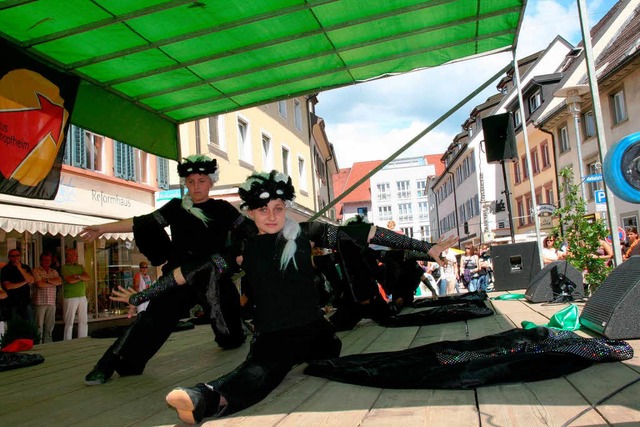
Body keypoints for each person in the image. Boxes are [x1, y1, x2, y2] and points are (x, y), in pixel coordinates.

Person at [112, 170, 457, 424]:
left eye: (279, 207)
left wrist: (426, 248)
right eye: (264, 209)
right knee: (262, 367)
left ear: (286, 206)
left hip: (318, 335)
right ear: (249, 211)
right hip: (273, 337)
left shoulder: (307, 234)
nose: (272, 215)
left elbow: (365, 232)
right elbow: (185, 273)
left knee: (283, 358)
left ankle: (208, 396)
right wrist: (143, 294)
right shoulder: (241, 251)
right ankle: (206, 397)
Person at [81, 154, 250, 385]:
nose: (196, 186)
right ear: (185, 183)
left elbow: (251, 231)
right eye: (190, 182)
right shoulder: (177, 207)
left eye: (201, 181)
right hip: (179, 278)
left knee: (231, 337)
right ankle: (108, 364)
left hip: (214, 277)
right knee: (152, 318)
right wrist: (101, 228)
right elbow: (142, 222)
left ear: (211, 182)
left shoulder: (223, 209)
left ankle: (234, 333)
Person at [32, 251, 63, 343]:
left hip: (51, 302)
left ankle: (48, 343)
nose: (47, 262)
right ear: (41, 261)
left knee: (50, 325)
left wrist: (46, 280)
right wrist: (51, 282)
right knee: (39, 325)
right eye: (45, 260)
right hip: (39, 302)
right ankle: (38, 343)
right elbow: (39, 284)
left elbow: (59, 282)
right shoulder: (36, 270)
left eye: (49, 260)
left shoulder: (54, 271)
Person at [61, 248, 90, 340]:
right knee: (69, 321)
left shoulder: (80, 267)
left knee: (83, 320)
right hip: (70, 297)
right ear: (68, 256)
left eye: (76, 255)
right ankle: (67, 341)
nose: (76, 257)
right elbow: (70, 280)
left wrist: (77, 276)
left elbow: (87, 277)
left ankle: (83, 339)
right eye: (73, 255)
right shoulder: (64, 268)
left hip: (82, 295)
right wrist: (81, 278)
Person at [1, 249, 35, 323]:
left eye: (17, 255)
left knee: (30, 325)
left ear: (20, 256)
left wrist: (20, 268)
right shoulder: (5, 269)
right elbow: (8, 286)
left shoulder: (25, 267)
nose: (15, 257)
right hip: (11, 303)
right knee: (13, 326)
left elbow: (31, 281)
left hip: (25, 301)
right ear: (9, 257)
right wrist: (25, 281)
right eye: (13, 256)